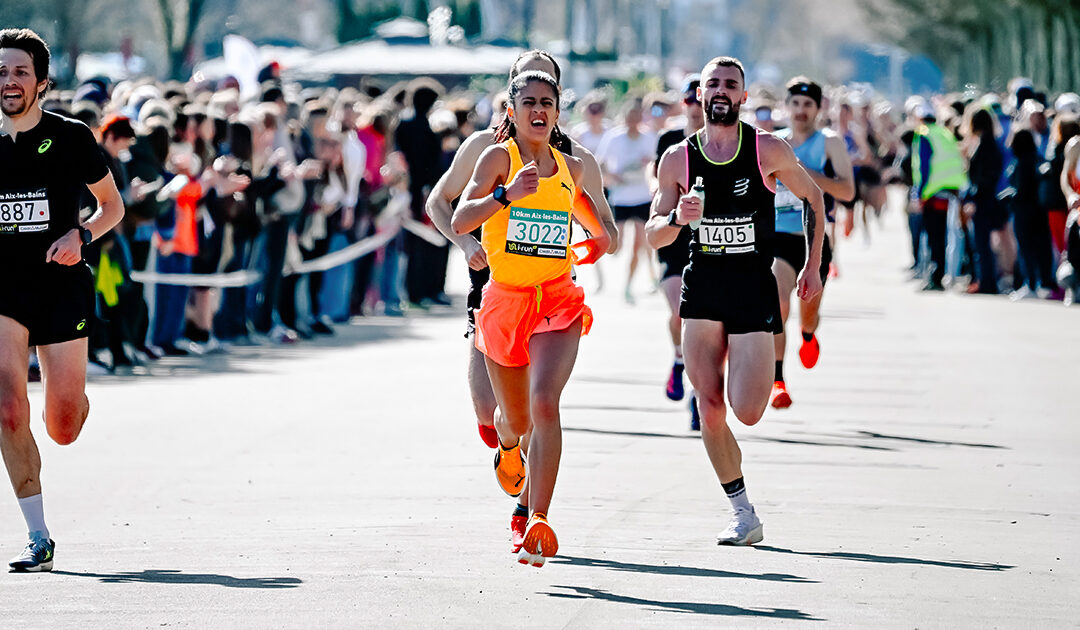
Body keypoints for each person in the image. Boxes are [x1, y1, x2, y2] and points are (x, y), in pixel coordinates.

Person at [425, 50, 617, 553]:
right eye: (527, 96)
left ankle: (534, 516)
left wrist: (598, 240)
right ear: (510, 100)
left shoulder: (577, 162)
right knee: (496, 415)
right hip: (495, 286)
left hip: (555, 295)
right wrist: (470, 243)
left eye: (547, 96)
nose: (538, 106)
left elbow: (605, 227)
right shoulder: (486, 149)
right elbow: (443, 205)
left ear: (558, 103)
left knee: (544, 403)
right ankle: (509, 450)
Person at [646, 57, 824, 546]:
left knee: (746, 411)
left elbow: (814, 199)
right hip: (701, 286)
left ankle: (742, 495)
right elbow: (654, 236)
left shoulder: (766, 149)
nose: (721, 91)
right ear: (700, 95)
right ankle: (743, 512)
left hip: (751, 288)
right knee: (708, 407)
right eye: (713, 84)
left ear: (744, 96)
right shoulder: (677, 159)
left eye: (731, 84)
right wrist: (678, 219)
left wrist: (812, 266)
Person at [0, 28, 125, 571]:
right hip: (3, 288)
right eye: (1, 71)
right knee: (7, 408)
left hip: (59, 282)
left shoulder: (71, 136)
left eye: (20, 71)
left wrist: (82, 235)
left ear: (42, 82)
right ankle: (38, 536)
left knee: (63, 426)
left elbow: (112, 207)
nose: (9, 81)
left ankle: (70, 401)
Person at [769, 78, 854, 409]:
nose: (801, 111)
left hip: (813, 239)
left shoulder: (829, 142)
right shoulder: (773, 143)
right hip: (777, 236)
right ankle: (778, 380)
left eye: (808, 105)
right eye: (795, 104)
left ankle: (807, 334)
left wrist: (802, 173)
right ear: (786, 106)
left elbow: (847, 191)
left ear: (819, 109)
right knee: (777, 301)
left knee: (807, 313)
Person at [651, 77, 703, 426]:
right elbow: (658, 182)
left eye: (701, 100)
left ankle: (699, 396)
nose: (696, 107)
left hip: (709, 240)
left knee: (706, 323)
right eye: (690, 101)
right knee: (678, 311)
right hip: (673, 235)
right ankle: (679, 358)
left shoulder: (726, 144)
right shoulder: (670, 140)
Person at [596, 98, 658, 304]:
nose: (633, 120)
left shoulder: (649, 137)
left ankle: (628, 286)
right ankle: (611, 272)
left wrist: (649, 165)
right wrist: (611, 178)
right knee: (618, 244)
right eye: (630, 117)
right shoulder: (614, 138)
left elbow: (658, 162)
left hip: (642, 197)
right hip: (621, 197)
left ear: (641, 118)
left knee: (639, 244)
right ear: (625, 118)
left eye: (636, 116)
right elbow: (600, 163)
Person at [911, 103, 967, 291]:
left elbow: (924, 167)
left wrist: (919, 194)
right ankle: (940, 273)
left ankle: (935, 277)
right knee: (943, 236)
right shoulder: (944, 133)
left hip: (933, 192)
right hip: (950, 190)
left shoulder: (924, 134)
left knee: (933, 236)